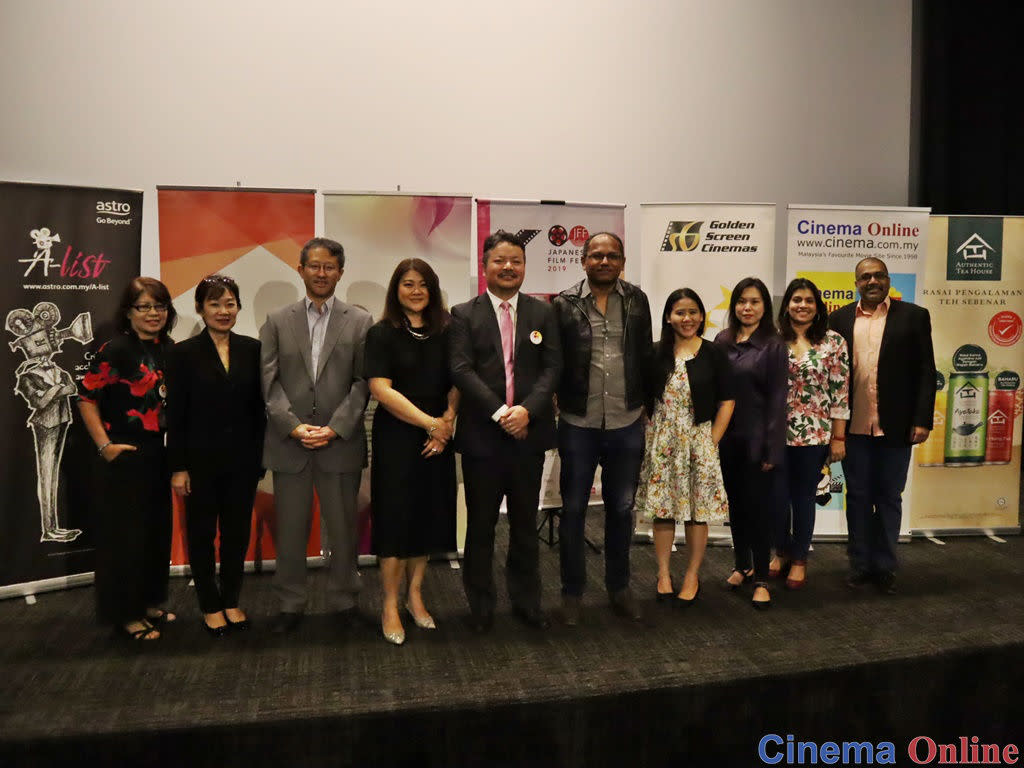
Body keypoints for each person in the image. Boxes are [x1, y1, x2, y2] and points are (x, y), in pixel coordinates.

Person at [449, 230, 561, 632]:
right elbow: (461, 370)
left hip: (527, 435)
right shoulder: (464, 314)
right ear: (484, 267)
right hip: (483, 436)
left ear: (525, 267)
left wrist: (527, 412)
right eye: (500, 260)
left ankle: (527, 601)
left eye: (516, 260)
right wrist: (501, 412)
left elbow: (552, 368)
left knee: (524, 525)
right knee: (481, 526)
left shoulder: (543, 312)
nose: (509, 267)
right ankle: (480, 606)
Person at [260, 237, 373, 634]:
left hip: (338, 442)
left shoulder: (360, 321)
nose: (321, 273)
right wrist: (293, 426)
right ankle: (290, 604)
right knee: (290, 530)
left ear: (340, 272)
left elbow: (363, 383)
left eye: (329, 267)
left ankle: (345, 600)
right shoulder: (277, 320)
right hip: (290, 444)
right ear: (300, 268)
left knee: (342, 528)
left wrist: (334, 427)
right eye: (314, 266)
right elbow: (268, 382)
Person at [551, 232, 651, 625]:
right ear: (583, 260)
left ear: (622, 261)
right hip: (579, 421)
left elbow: (645, 353)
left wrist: (648, 402)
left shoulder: (637, 300)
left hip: (626, 420)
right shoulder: (564, 303)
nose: (604, 261)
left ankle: (619, 587)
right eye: (596, 255)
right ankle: (572, 593)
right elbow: (552, 357)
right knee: (573, 510)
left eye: (612, 255)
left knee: (622, 510)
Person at [77, 277, 178, 641]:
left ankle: (149, 601)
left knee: (154, 532)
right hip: (121, 453)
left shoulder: (168, 348)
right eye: (145, 307)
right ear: (129, 312)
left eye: (160, 306)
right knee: (125, 539)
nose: (153, 313)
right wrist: (105, 446)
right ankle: (126, 614)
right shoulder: (115, 349)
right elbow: (86, 398)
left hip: (156, 452)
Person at [365, 259, 459, 646]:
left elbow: (459, 380)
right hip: (398, 439)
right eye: (408, 284)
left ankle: (416, 596)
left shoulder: (448, 330)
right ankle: (390, 603)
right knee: (395, 521)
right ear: (396, 289)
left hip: (439, 437)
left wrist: (448, 421)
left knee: (426, 518)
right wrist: (430, 423)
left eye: (423, 284)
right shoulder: (382, 333)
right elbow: (380, 389)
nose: (416, 291)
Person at [166, 275, 266, 637]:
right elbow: (175, 415)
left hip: (242, 461)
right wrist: (178, 466)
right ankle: (210, 604)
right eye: (214, 304)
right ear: (199, 308)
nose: (223, 311)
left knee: (237, 534)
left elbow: (260, 410)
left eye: (230, 304)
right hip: (199, 462)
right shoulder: (181, 353)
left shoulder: (253, 349)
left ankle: (232, 600)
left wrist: (259, 458)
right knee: (202, 533)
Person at [829, 257, 935, 594]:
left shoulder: (914, 317)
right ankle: (860, 564)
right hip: (854, 427)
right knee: (858, 496)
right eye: (865, 277)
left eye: (878, 275)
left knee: (890, 497)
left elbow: (925, 373)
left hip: (897, 427)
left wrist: (921, 420)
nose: (872, 281)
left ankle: (886, 566)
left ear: (888, 279)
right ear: (856, 282)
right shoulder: (838, 319)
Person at [636, 288, 733, 608]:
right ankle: (663, 573)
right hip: (663, 442)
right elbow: (643, 399)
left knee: (696, 513)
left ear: (702, 316)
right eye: (680, 312)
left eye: (693, 312)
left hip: (699, 440)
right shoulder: (653, 353)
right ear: (668, 317)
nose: (687, 318)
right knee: (662, 512)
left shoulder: (713, 352)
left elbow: (727, 399)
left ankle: (692, 574)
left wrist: (712, 439)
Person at [714, 277, 787, 609]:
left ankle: (760, 578)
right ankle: (741, 564)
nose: (747, 307)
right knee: (736, 507)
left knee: (758, 510)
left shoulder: (773, 344)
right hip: (726, 438)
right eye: (742, 301)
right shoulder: (722, 340)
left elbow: (777, 399)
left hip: (758, 439)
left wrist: (773, 447)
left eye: (755, 301)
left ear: (764, 306)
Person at [772, 278, 849, 590]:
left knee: (803, 499)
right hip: (773, 433)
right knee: (775, 500)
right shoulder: (772, 339)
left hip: (814, 435)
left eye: (808, 300)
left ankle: (800, 558)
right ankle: (781, 551)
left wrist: (839, 437)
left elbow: (840, 392)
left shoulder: (833, 342)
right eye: (796, 299)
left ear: (818, 307)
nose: (802, 305)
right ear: (787, 304)